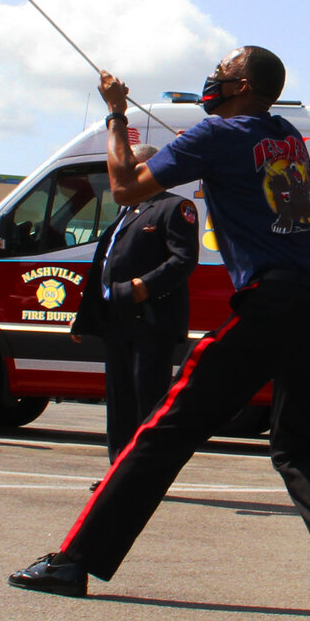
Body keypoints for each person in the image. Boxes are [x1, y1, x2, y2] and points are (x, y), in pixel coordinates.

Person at [9, 47, 310, 606]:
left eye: (222, 74)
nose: (213, 81)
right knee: (294, 444)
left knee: (163, 432)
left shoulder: (216, 135)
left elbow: (125, 186)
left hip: (270, 303)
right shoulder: (286, 136)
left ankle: (76, 562)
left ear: (243, 84)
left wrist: (116, 116)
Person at [70, 144, 200, 460]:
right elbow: (104, 265)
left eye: (128, 169)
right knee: (119, 401)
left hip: (151, 322)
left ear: (147, 169)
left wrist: (143, 287)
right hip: (118, 320)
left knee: (147, 401)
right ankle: (118, 471)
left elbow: (184, 260)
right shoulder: (125, 210)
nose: (121, 176)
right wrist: (85, 315)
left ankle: (145, 472)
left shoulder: (173, 207)